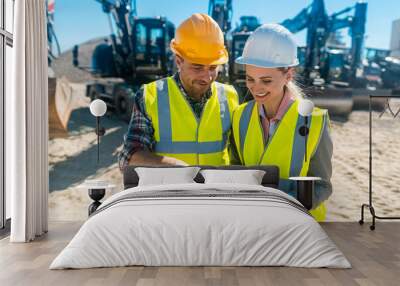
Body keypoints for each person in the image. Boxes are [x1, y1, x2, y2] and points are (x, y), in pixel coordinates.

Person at [232, 24, 333, 221]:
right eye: (250, 79)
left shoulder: (315, 121)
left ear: (289, 74)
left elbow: (322, 186)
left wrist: (279, 202)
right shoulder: (239, 116)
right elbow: (237, 171)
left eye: (266, 80)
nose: (256, 88)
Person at [118, 13, 239, 169]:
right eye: (197, 67)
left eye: (213, 67)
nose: (207, 77)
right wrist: (175, 166)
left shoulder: (230, 96)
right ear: (178, 61)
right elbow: (128, 157)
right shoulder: (150, 95)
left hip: (215, 191)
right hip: (169, 192)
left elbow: (240, 157)